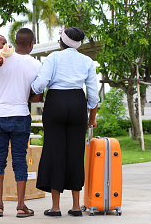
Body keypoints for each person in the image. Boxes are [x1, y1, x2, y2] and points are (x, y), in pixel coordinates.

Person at [31, 27, 99, 217]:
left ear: (61, 42)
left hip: (56, 103)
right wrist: (91, 118)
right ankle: (76, 206)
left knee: (55, 152)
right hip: (78, 104)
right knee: (76, 153)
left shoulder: (53, 58)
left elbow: (41, 82)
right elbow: (93, 95)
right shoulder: (87, 61)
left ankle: (55, 207)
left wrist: (33, 87)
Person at [0, 28, 42, 218]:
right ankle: (21, 206)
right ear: (31, 44)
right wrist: (25, 96)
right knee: (19, 161)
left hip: (0, 117)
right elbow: (37, 96)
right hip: (21, 117)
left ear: (14, 42)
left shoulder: (1, 59)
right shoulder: (36, 64)